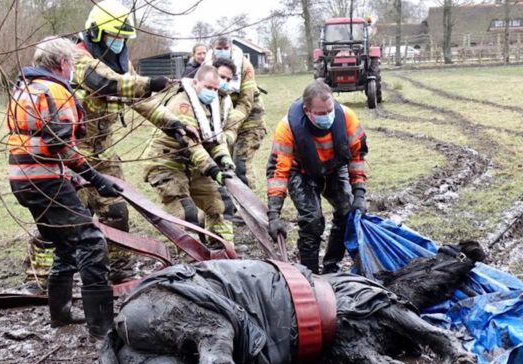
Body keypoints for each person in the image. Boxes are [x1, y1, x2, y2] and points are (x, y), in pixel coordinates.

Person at [72, 0, 200, 283]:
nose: (118, 43)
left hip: (103, 153)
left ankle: (119, 270)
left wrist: (172, 123)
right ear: (95, 33)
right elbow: (107, 84)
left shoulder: (120, 63)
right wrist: (149, 82)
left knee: (116, 210)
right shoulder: (77, 59)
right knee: (66, 218)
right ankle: (42, 276)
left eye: (122, 39)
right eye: (113, 37)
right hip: (70, 153)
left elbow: (142, 100)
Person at [7, 37, 122, 338]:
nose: (72, 68)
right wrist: (95, 178)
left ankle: (60, 315)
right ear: (62, 64)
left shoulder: (26, 88)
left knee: (64, 244)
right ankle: (103, 327)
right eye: (71, 63)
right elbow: (60, 144)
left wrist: (72, 176)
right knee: (91, 241)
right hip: (44, 180)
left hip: (23, 178)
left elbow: (36, 141)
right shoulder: (56, 90)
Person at [266, 80, 368, 274]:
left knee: (347, 212)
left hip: (333, 166)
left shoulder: (347, 118)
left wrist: (359, 194)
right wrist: (274, 215)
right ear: (307, 110)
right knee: (312, 220)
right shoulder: (286, 129)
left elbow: (357, 156)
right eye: (321, 114)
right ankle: (309, 273)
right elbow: (278, 172)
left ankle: (331, 267)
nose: (327, 117)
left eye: (330, 110)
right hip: (301, 171)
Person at [142, 65, 236, 246]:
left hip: (193, 166)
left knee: (221, 204)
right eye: (208, 88)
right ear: (195, 83)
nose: (212, 92)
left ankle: (223, 250)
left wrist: (223, 157)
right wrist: (213, 169)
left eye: (215, 89)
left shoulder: (210, 107)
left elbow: (214, 139)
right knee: (187, 215)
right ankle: (193, 262)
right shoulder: (181, 104)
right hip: (166, 164)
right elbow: (191, 143)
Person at [210, 36, 267, 189]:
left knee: (240, 163)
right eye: (219, 48)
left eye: (225, 48)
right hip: (222, 120)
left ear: (231, 48)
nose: (222, 51)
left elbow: (245, 102)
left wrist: (231, 125)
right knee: (223, 163)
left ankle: (248, 206)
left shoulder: (245, 66)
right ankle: (227, 205)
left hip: (249, 120)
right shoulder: (207, 65)